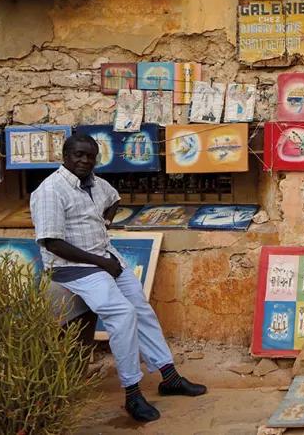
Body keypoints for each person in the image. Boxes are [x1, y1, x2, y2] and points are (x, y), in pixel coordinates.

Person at [30, 134, 206, 423]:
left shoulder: (96, 184)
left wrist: (106, 222)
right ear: (64, 155)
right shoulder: (51, 190)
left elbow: (114, 199)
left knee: (140, 307)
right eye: (78, 155)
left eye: (90, 156)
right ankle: (132, 393)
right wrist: (101, 262)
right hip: (72, 267)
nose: (85, 160)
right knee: (122, 314)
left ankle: (169, 376)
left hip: (105, 258)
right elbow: (52, 243)